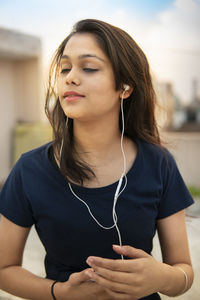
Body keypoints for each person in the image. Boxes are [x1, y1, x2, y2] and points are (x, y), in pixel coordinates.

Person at [0, 19, 194, 300]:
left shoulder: (159, 163)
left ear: (125, 87)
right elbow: (4, 268)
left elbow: (183, 272)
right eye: (65, 68)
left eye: (88, 67)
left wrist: (161, 277)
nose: (70, 77)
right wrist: (59, 292)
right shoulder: (29, 169)